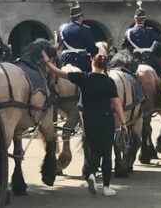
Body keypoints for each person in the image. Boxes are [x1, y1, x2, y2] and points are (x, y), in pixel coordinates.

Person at [43, 51, 126, 196]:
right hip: (106, 119)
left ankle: (91, 174)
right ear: (105, 65)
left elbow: (60, 73)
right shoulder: (109, 82)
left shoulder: (84, 78)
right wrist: (123, 122)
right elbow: (117, 103)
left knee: (91, 149)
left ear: (92, 62)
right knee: (106, 153)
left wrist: (47, 62)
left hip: (89, 119)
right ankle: (106, 187)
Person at [120, 1, 161, 76]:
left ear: (135, 18)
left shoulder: (128, 32)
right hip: (150, 60)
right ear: (144, 19)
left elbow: (124, 47)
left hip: (134, 60)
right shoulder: (150, 31)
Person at [57, 0, 98, 73]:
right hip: (81, 60)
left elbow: (59, 46)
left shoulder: (62, 28)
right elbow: (92, 47)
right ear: (80, 17)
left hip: (65, 59)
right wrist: (94, 52)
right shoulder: (86, 29)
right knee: (90, 80)